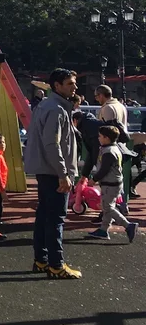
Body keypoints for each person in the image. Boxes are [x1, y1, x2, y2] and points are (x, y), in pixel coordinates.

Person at [24, 68, 81, 279]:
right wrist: (63, 173)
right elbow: (52, 144)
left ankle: (42, 260)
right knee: (55, 218)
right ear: (57, 85)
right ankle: (56, 264)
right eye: (70, 83)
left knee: (44, 216)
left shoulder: (46, 106)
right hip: (53, 171)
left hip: (45, 169)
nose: (74, 87)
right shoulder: (57, 109)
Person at [88, 125, 139, 242]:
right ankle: (103, 230)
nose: (98, 138)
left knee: (108, 207)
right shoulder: (114, 148)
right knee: (108, 206)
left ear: (106, 138)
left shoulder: (108, 152)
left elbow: (104, 170)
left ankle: (128, 225)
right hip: (115, 183)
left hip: (110, 184)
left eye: (100, 136)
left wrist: (94, 180)